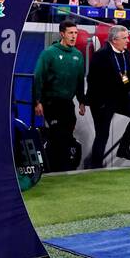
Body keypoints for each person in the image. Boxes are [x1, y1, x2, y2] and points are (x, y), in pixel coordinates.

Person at [88, 25, 130, 167]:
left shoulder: (125, 53)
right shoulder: (101, 55)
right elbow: (92, 80)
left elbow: (129, 75)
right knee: (102, 135)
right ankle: (95, 167)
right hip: (103, 100)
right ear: (114, 40)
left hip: (122, 97)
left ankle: (123, 148)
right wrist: (94, 101)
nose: (128, 41)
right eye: (125, 38)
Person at [33, 20, 89, 172]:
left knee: (66, 136)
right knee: (58, 135)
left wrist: (82, 101)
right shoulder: (49, 53)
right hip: (51, 102)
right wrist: (37, 101)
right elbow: (38, 77)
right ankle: (56, 170)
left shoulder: (78, 55)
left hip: (67, 103)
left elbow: (79, 80)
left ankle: (58, 170)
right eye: (70, 33)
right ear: (62, 34)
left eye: (76, 33)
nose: (74, 36)